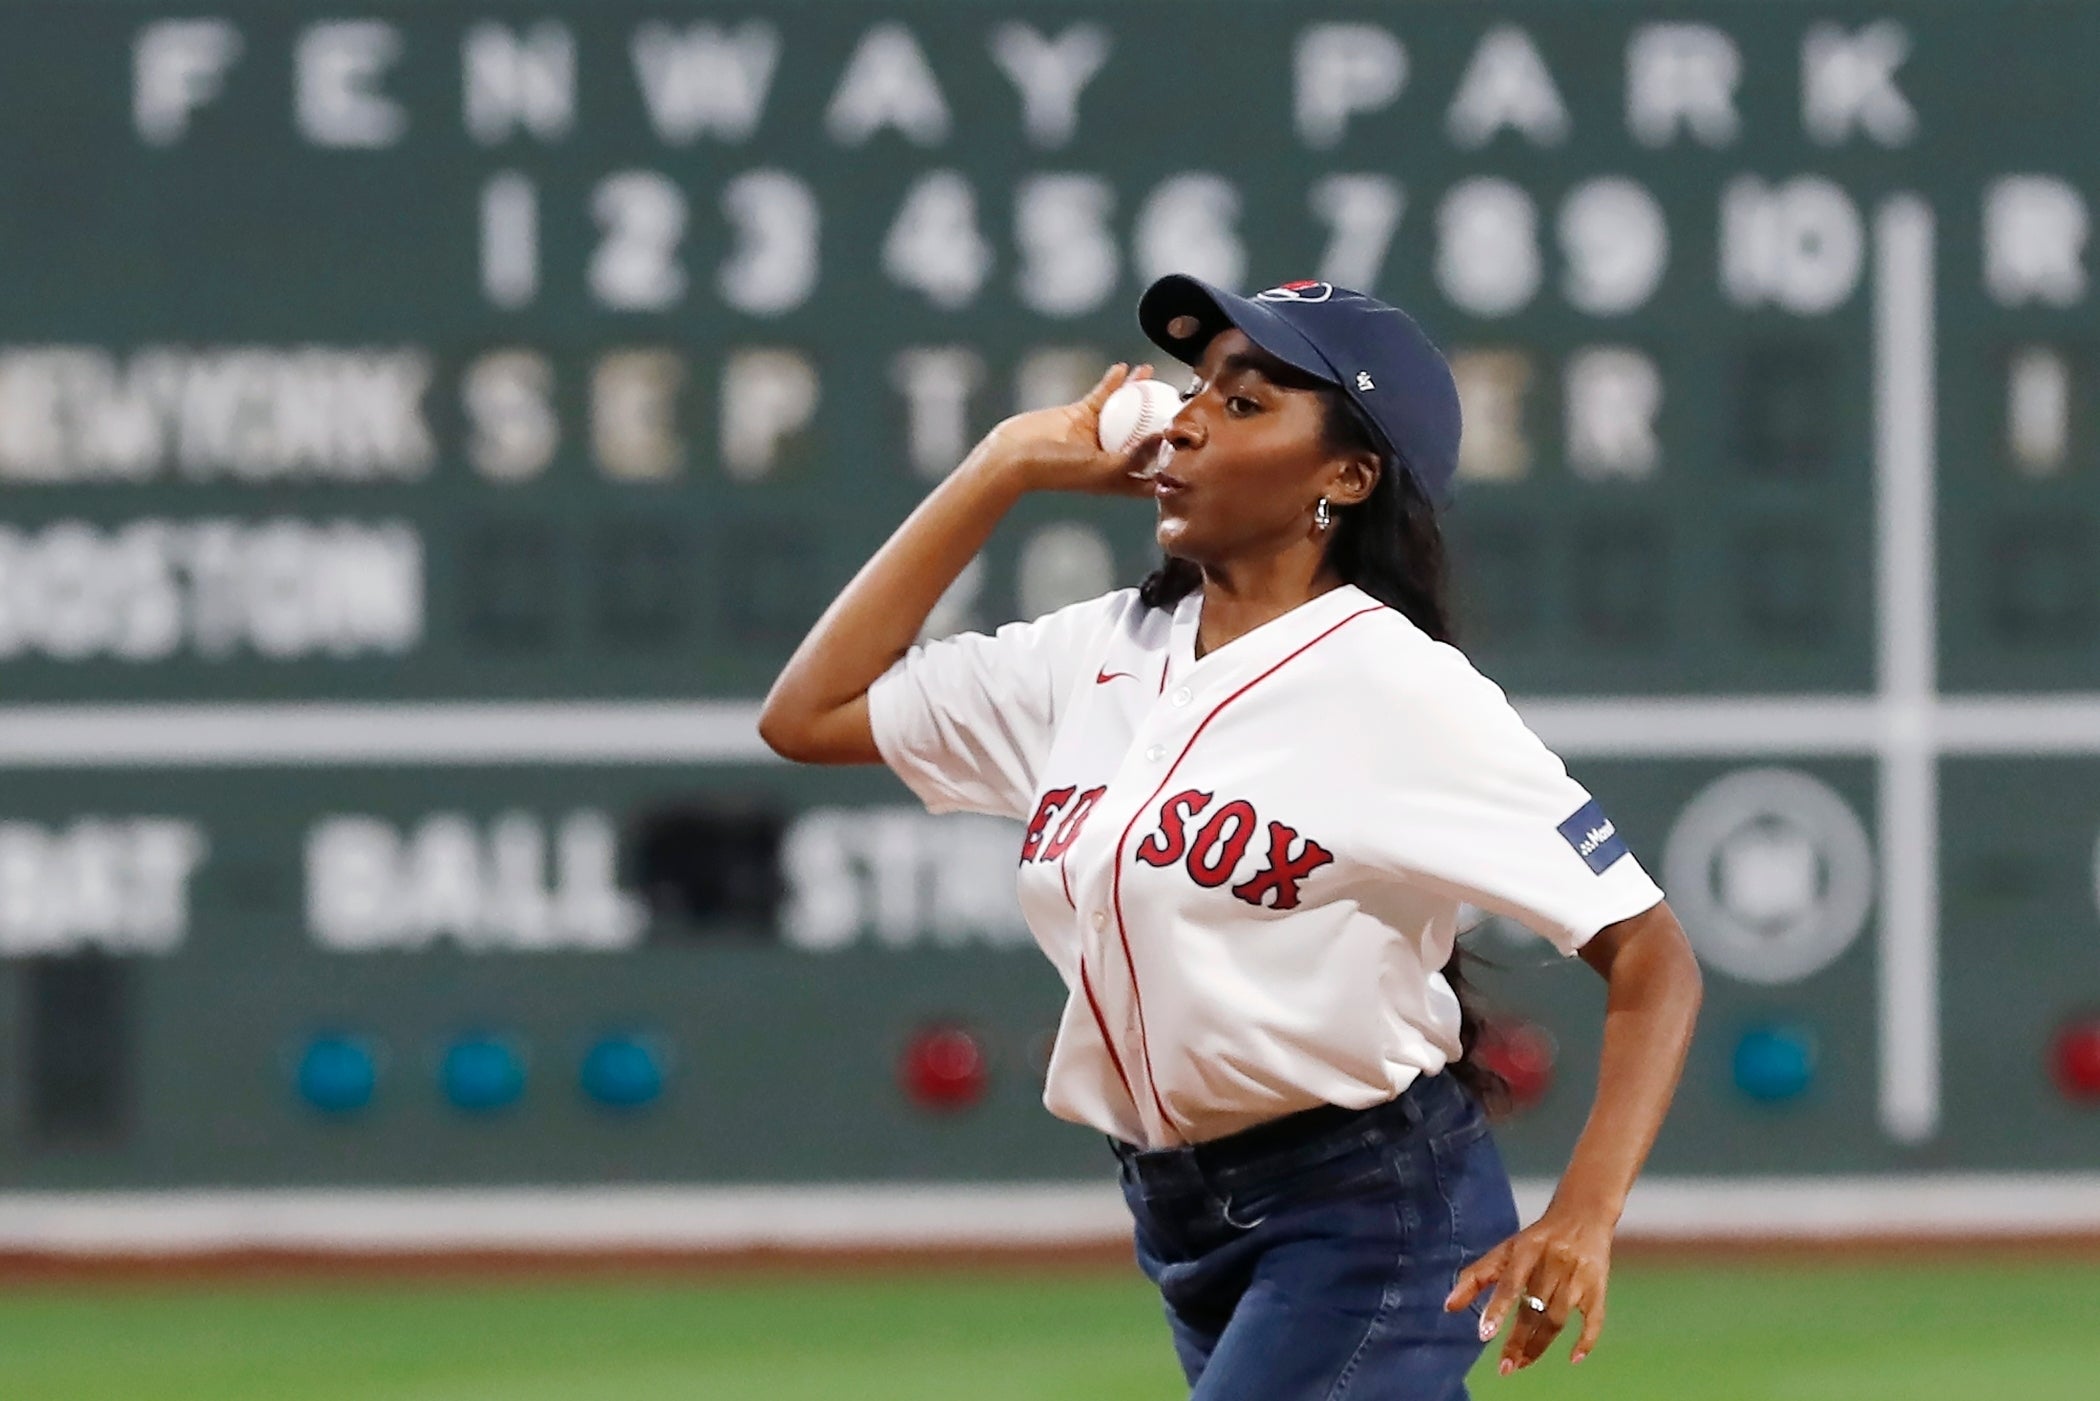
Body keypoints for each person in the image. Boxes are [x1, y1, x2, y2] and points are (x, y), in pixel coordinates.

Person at [759, 274, 1703, 1398]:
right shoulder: (1098, 654)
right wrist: (1003, 464)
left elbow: (1652, 955)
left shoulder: (1395, 688)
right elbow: (805, 716)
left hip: (1366, 1214)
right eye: (1197, 387)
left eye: (1248, 403)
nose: (1186, 418)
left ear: (1346, 479)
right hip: (1182, 1221)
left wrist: (1587, 1213)